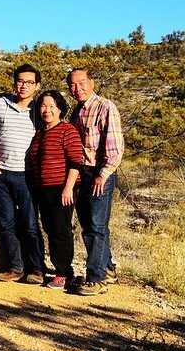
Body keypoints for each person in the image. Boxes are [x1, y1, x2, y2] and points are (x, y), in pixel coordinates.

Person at [0, 63, 46, 284]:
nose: (24, 86)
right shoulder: (1, 104)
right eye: (20, 81)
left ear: (37, 86)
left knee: (30, 224)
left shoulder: (39, 111)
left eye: (29, 82)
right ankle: (14, 267)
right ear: (14, 83)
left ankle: (37, 269)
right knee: (6, 223)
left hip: (27, 174)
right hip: (1, 173)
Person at [67, 68, 125, 296]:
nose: (77, 88)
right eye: (72, 84)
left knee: (95, 227)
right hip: (81, 174)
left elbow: (114, 146)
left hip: (99, 174)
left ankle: (96, 277)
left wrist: (103, 174)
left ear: (91, 82)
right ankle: (108, 268)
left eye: (82, 83)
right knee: (91, 225)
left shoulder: (105, 107)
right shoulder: (77, 112)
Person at [29, 90, 83, 289]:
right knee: (49, 229)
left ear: (60, 109)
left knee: (61, 231)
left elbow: (76, 161)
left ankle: (64, 273)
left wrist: (68, 188)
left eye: (52, 106)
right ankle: (59, 269)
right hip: (43, 189)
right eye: (43, 106)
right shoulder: (40, 133)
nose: (47, 110)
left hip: (61, 188)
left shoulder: (67, 130)